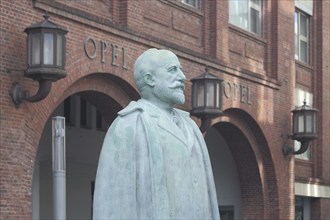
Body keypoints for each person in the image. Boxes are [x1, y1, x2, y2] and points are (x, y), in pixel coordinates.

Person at [93, 48, 220, 220]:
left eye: (180, 69)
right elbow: (111, 204)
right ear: (149, 79)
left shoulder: (191, 127)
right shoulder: (128, 125)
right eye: (173, 70)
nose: (182, 77)